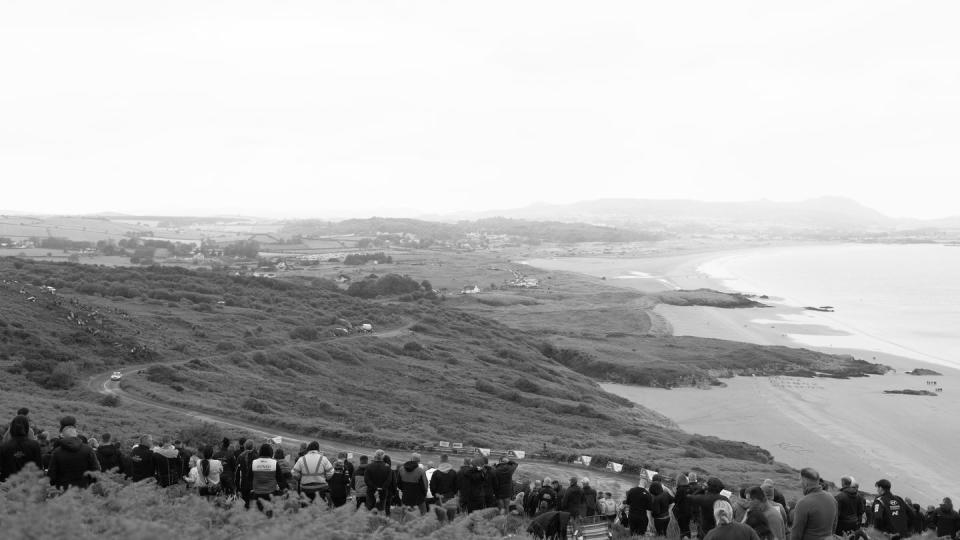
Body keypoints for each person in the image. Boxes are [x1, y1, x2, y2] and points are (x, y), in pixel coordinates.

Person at [47, 425, 100, 490]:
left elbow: (51, 474)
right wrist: (90, 483)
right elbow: (96, 469)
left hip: (62, 490)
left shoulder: (57, 452)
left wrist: (54, 484)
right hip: (83, 489)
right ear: (76, 434)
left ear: (63, 436)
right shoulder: (88, 449)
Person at [791, 468, 838, 540]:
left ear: (805, 483)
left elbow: (796, 534)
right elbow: (834, 524)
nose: (799, 483)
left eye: (800, 480)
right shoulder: (831, 498)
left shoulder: (803, 503)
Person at [0, 415, 42, 481]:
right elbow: (39, 468)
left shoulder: (4, 446)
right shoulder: (34, 445)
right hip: (28, 484)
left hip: (8, 485)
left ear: (12, 428)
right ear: (27, 427)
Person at [249, 443, 285, 513]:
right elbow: (281, 479)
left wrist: (251, 489)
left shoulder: (254, 462)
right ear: (271, 452)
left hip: (257, 493)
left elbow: (249, 479)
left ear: (260, 452)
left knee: (258, 515)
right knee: (269, 515)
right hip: (271, 494)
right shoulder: (274, 463)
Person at [674, 474, 695, 539]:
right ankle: (688, 537)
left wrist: (674, 492)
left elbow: (676, 501)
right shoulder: (690, 488)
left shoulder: (680, 490)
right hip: (689, 511)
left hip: (681, 512)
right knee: (687, 527)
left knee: (683, 529)